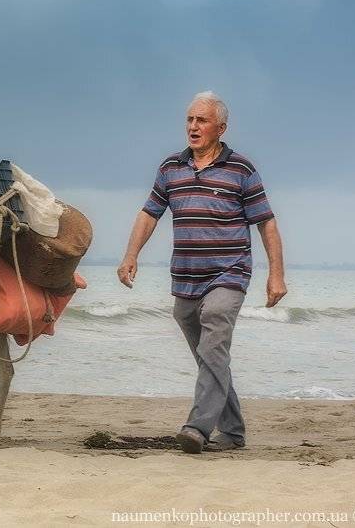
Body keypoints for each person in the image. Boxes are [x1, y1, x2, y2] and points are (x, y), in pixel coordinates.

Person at [117, 91, 287, 454]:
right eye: (190, 120)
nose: (193, 127)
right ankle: (234, 430)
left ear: (220, 128)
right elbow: (150, 213)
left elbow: (266, 224)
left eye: (202, 120)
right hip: (186, 278)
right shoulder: (170, 168)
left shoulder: (241, 169)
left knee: (214, 329)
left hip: (230, 272)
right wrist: (131, 254)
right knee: (210, 354)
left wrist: (277, 274)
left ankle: (197, 427)